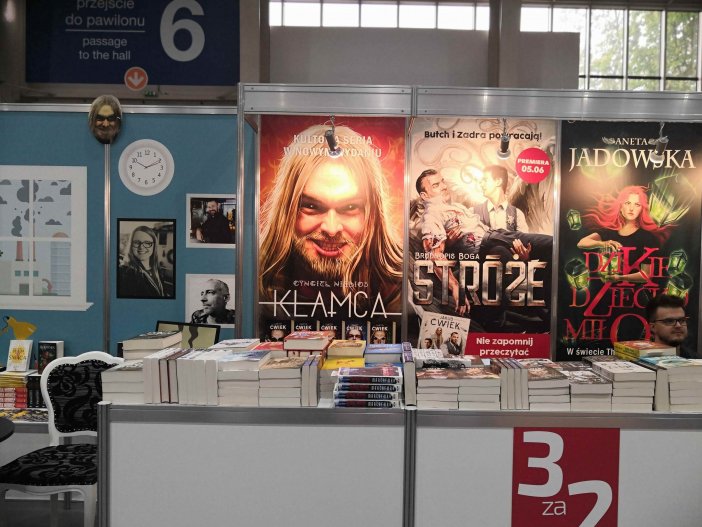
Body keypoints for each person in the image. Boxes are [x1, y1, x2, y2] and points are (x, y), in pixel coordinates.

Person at [259, 124, 403, 313]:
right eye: (311, 206)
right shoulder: (255, 278)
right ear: (286, 209)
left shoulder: (403, 285)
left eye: (350, 207)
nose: (332, 229)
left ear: (373, 214)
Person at [415, 169, 552, 314]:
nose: (444, 186)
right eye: (436, 185)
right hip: (488, 244)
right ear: (424, 195)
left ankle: (546, 311)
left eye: (442, 181)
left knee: (548, 248)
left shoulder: (455, 207)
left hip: (497, 240)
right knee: (549, 245)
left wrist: (524, 258)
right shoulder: (432, 215)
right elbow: (435, 255)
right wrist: (454, 286)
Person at [577, 185, 666, 284]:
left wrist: (620, 278)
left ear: (641, 209)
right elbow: (581, 243)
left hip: (633, 292)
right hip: (603, 289)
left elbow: (646, 275)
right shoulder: (609, 231)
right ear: (620, 207)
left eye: (637, 204)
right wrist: (602, 243)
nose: (631, 208)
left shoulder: (647, 238)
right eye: (627, 203)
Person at [118, 226, 173, 298]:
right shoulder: (124, 273)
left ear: (154, 246)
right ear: (131, 245)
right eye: (137, 242)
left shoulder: (157, 270)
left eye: (147, 243)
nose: (141, 247)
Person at [473, 165, 528, 232]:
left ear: (498, 182)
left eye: (485, 180)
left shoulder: (517, 214)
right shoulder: (473, 212)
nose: (481, 184)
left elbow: (524, 238)